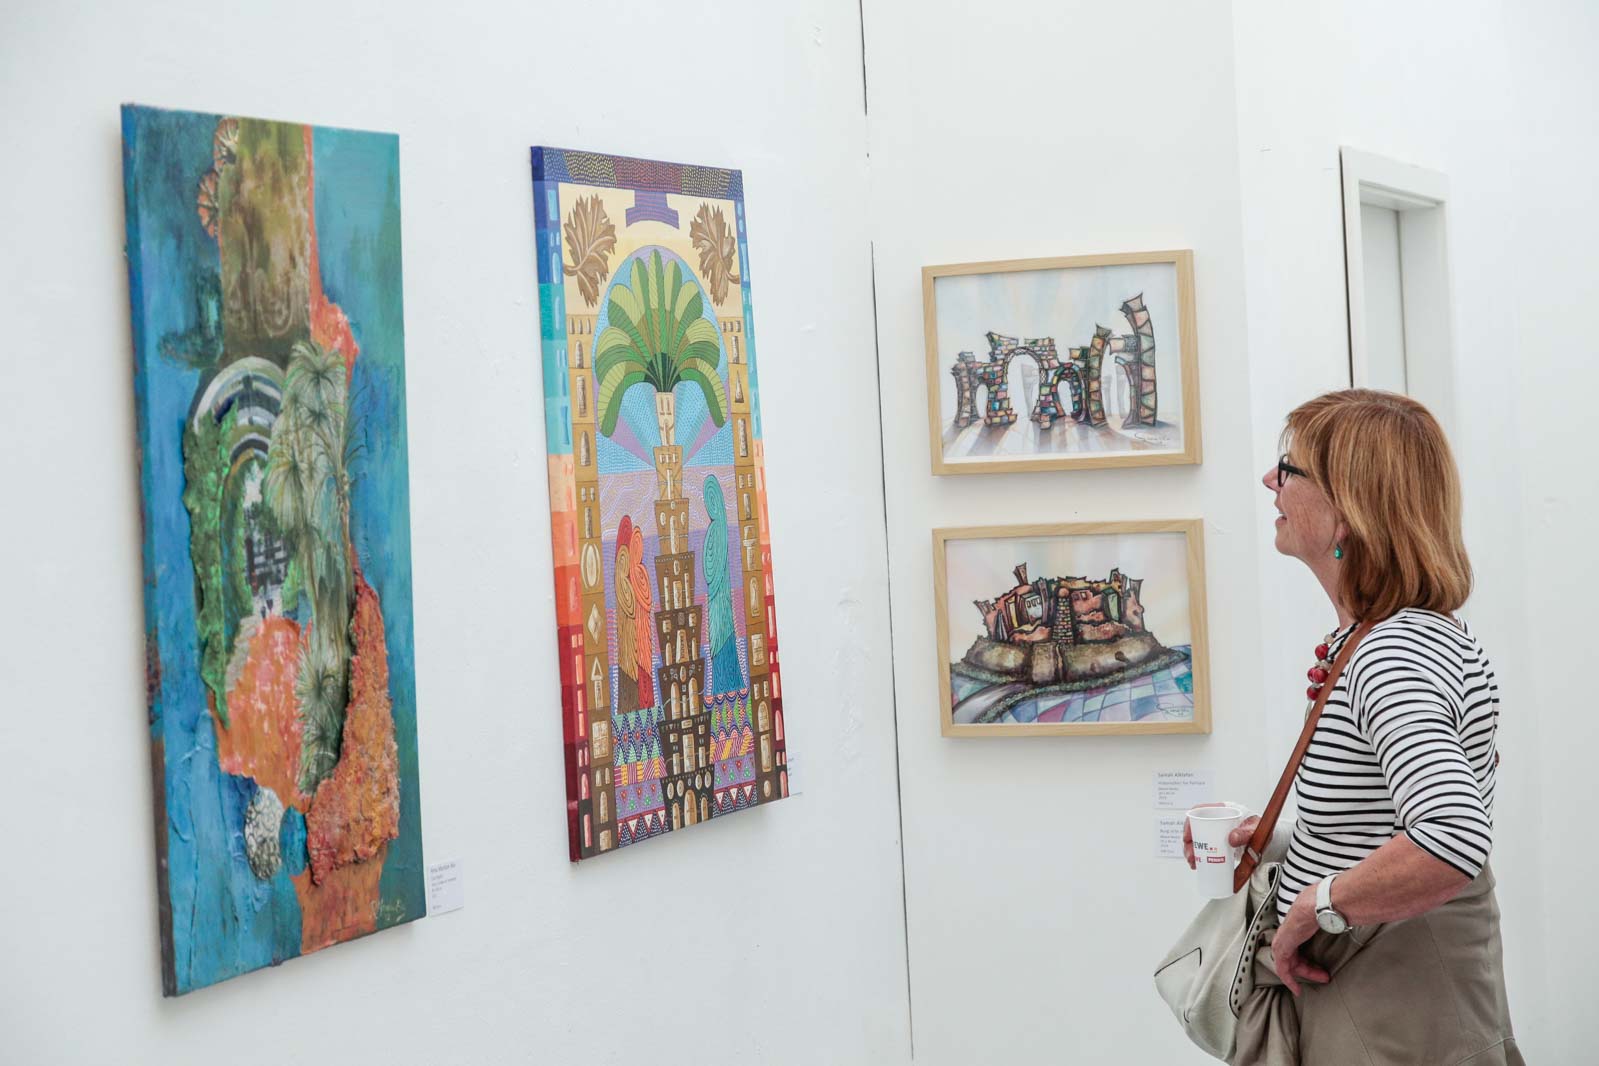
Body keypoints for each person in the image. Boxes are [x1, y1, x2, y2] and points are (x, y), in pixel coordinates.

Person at [1182, 390, 1521, 1064]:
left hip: (1384, 1006)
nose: (1269, 481)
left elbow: (1450, 839)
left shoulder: (1393, 651)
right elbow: (1389, 824)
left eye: (1289, 468)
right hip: (1377, 996)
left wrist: (1316, 907)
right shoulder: (1382, 639)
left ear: (1349, 507)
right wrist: (1272, 839)